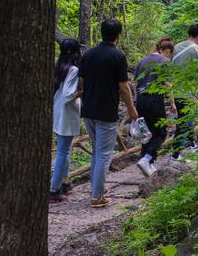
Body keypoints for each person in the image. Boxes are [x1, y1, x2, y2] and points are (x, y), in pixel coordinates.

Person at [79, 19, 138, 208]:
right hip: (106, 110)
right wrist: (131, 108)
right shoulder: (117, 56)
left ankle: (97, 190)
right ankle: (97, 196)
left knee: (97, 151)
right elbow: (123, 86)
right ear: (118, 35)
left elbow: (81, 83)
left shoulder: (88, 54)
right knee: (104, 154)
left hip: (87, 109)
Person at [134, 37, 176, 176]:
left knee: (147, 133)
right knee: (160, 132)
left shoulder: (144, 60)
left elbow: (136, 81)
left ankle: (147, 163)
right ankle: (147, 158)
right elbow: (167, 84)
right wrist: (172, 103)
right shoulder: (165, 61)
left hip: (140, 99)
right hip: (154, 99)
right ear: (166, 51)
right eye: (170, 53)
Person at [49, 38, 82, 203]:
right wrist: (81, 92)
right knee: (63, 152)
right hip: (66, 115)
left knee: (65, 150)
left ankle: (65, 184)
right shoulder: (74, 70)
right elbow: (69, 94)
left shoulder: (60, 67)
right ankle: (53, 189)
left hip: (58, 113)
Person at [170, 24, 198, 161]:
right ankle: (175, 155)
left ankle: (192, 144)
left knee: (186, 120)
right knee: (184, 124)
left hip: (175, 91)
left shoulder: (176, 47)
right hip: (189, 92)